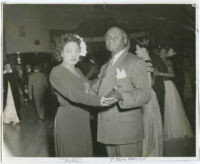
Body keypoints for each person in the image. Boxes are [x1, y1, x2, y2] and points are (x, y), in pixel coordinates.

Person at [49, 33, 117, 157]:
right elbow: (74, 94)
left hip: (83, 118)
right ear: (61, 52)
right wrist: (99, 101)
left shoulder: (78, 71)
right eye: (69, 51)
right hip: (68, 121)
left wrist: (104, 74)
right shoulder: (56, 72)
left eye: (76, 51)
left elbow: (89, 87)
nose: (73, 54)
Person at [92, 26, 150, 157]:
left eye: (115, 36)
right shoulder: (105, 66)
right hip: (107, 128)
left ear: (125, 40)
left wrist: (121, 95)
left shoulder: (134, 61)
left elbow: (145, 95)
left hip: (126, 130)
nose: (110, 39)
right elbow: (94, 89)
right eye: (107, 37)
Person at [154, 46, 193, 141]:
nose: (163, 54)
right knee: (165, 109)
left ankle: (176, 132)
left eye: (164, 52)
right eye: (161, 52)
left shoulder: (168, 62)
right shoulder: (157, 62)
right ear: (158, 54)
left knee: (172, 109)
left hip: (168, 86)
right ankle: (165, 131)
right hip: (160, 86)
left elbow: (172, 74)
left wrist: (159, 74)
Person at [135, 44, 163, 157]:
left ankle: (147, 152)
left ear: (144, 50)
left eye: (137, 49)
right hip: (150, 96)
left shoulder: (146, 63)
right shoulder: (148, 62)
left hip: (146, 97)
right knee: (149, 123)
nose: (136, 51)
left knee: (147, 124)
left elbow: (148, 84)